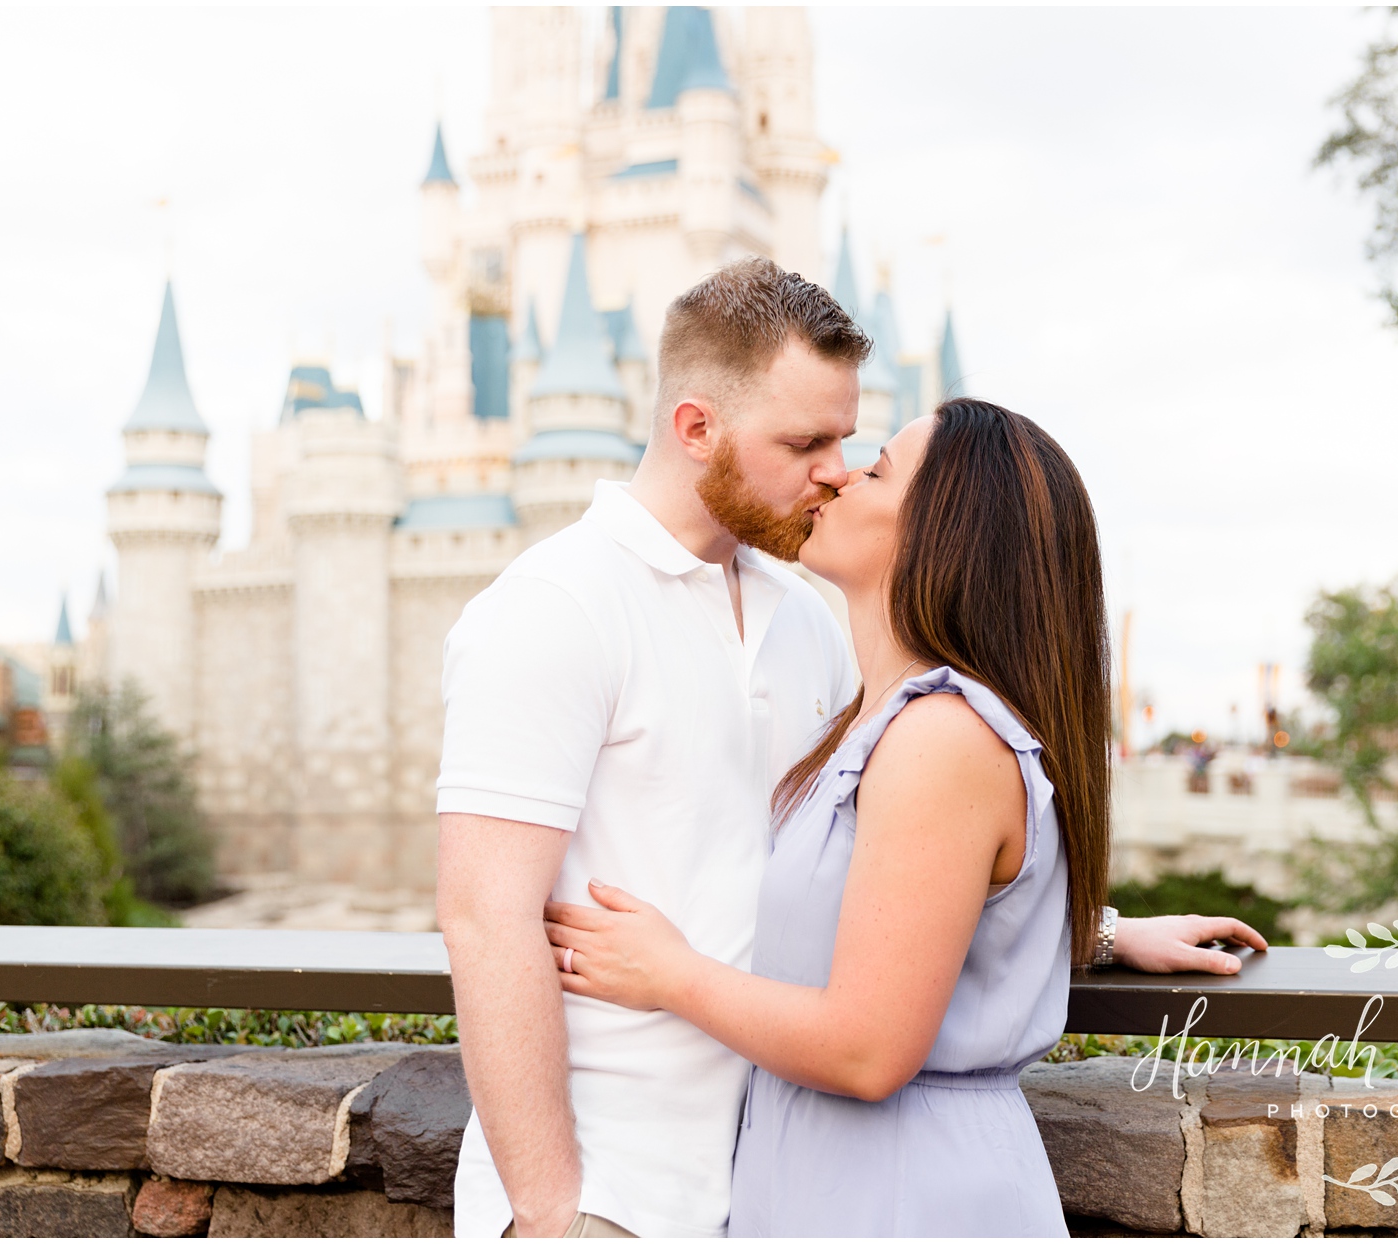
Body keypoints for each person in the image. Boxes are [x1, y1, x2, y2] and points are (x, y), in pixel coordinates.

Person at [439, 258, 1265, 1239]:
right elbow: (486, 917)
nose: (836, 466)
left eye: (851, 440)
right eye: (807, 441)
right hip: (612, 1181)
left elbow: (871, 871)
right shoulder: (556, 606)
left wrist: (1094, 930)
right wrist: (546, 1209)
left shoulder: (810, 619)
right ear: (696, 428)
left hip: (768, 1172)